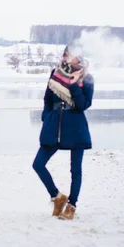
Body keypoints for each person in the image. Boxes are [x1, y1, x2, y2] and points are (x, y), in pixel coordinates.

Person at [32, 44, 94, 220]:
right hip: (54, 126)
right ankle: (57, 197)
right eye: (66, 54)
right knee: (38, 164)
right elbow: (47, 99)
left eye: (72, 55)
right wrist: (46, 116)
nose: (68, 58)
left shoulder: (86, 78)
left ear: (79, 57)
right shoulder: (56, 73)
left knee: (75, 170)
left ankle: (71, 206)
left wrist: (74, 85)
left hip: (75, 127)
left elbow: (83, 105)